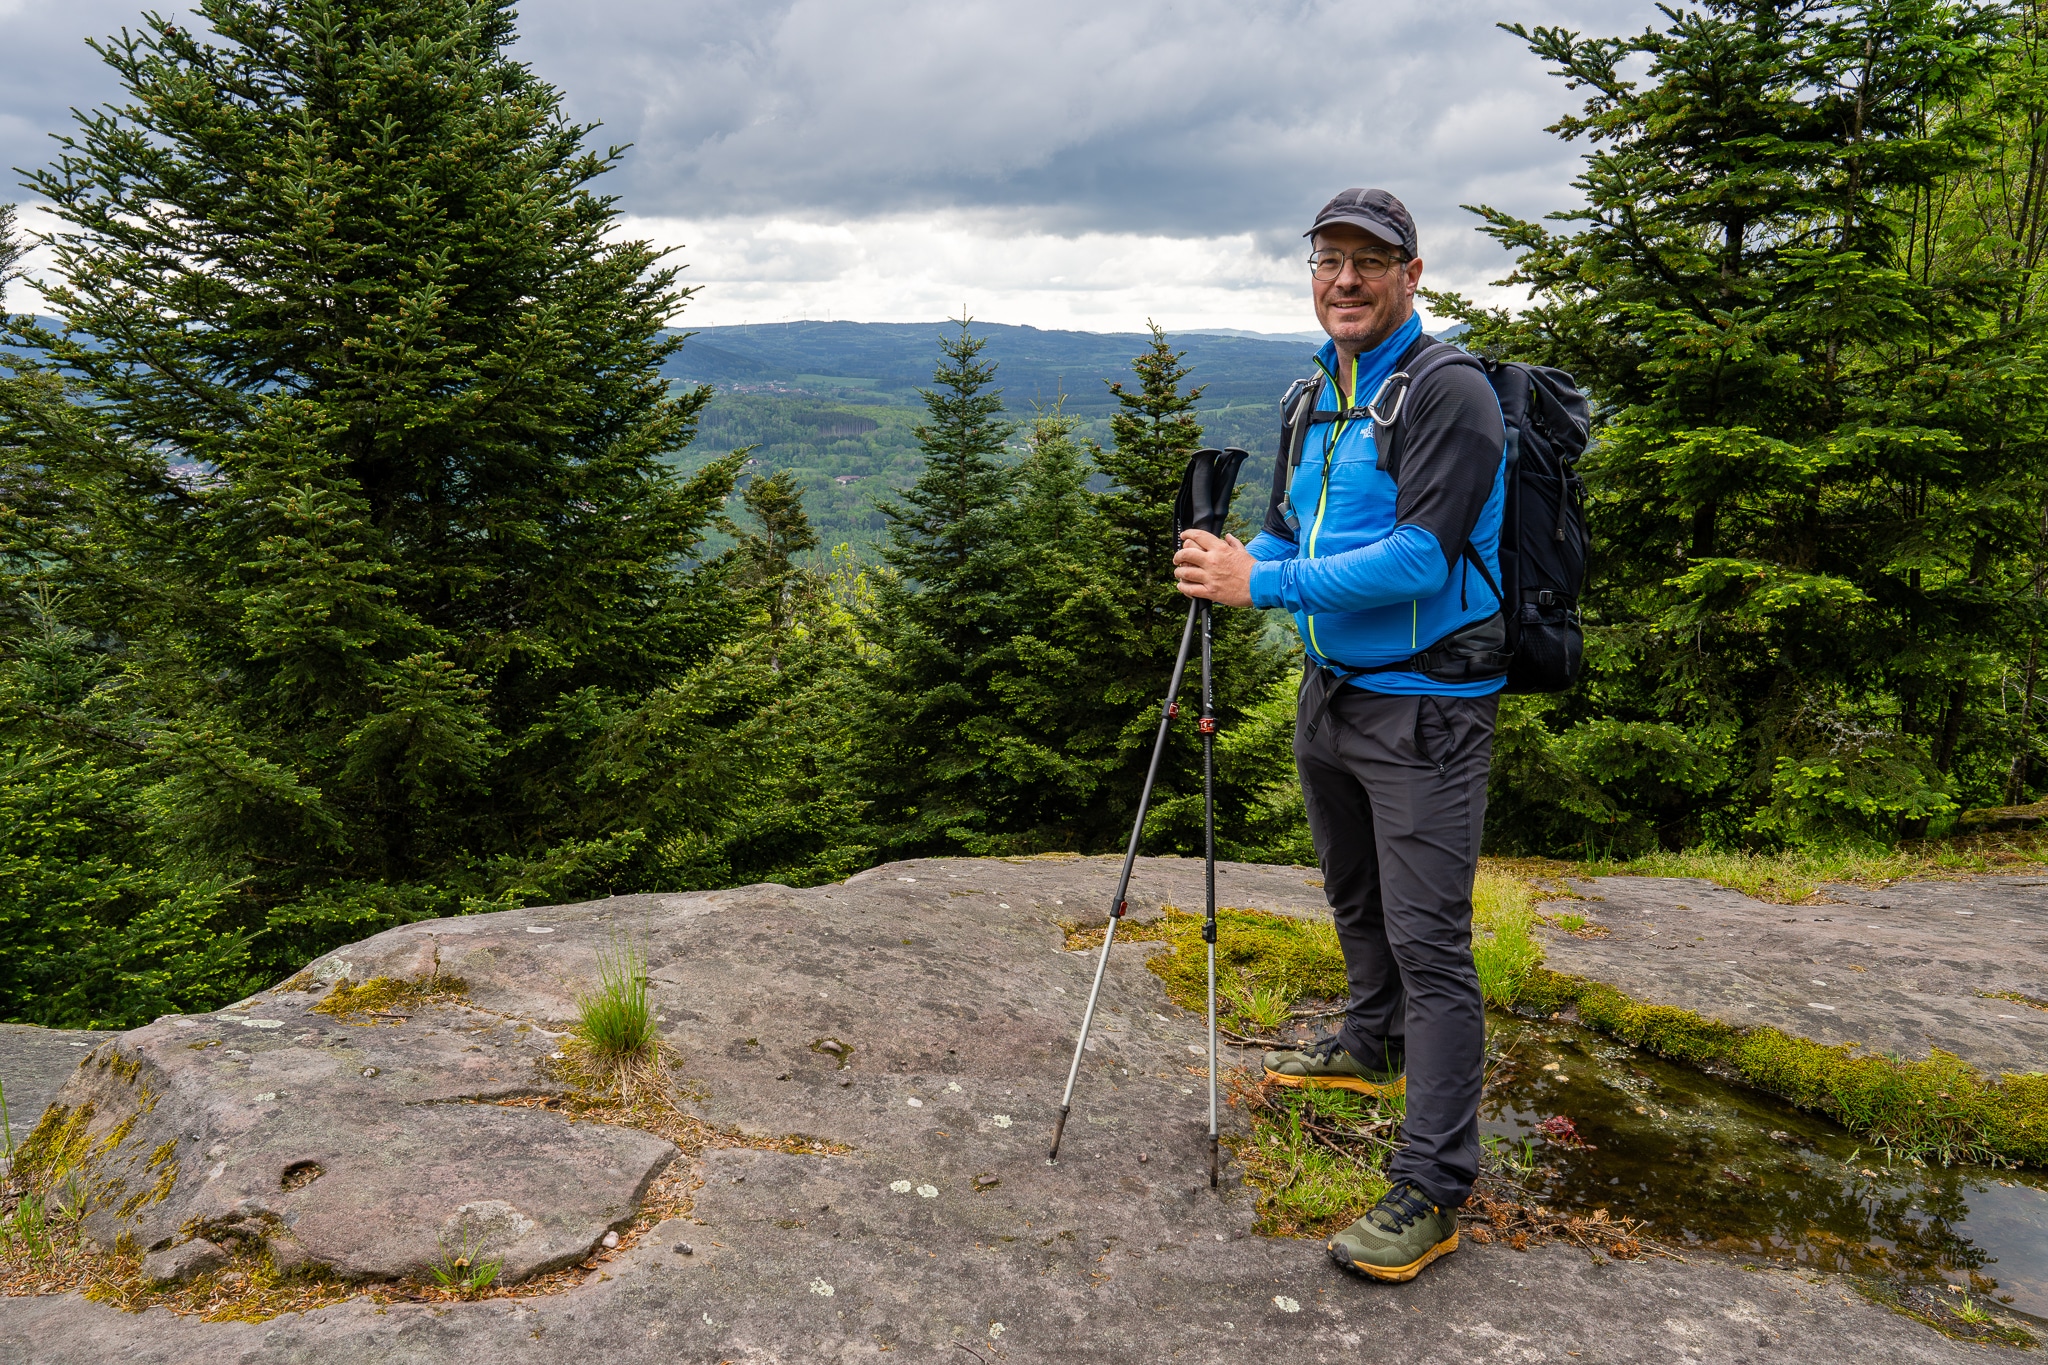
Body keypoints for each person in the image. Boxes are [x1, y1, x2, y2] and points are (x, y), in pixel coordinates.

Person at [1172, 187, 1507, 1284]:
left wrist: (1258, 588)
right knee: (1352, 896)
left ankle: (1433, 1185)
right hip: (1334, 690)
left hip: (1427, 709)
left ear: (1413, 274)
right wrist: (1232, 556)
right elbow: (1287, 526)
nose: (1345, 280)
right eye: (1328, 259)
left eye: (1370, 261)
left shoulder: (1447, 393)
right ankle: (1369, 1045)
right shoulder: (1309, 394)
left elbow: (1422, 558)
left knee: (1430, 943)